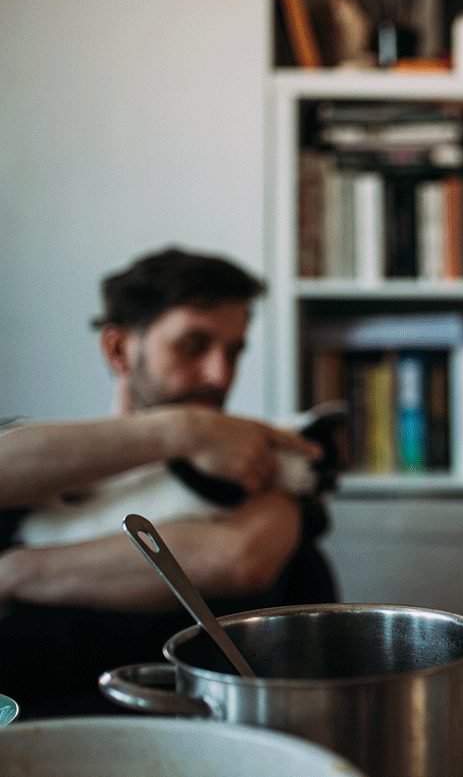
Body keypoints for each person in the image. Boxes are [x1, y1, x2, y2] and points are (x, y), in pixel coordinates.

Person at [0, 247, 337, 718]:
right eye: (193, 347)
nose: (220, 376)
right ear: (119, 350)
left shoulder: (262, 471)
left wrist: (15, 574)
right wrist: (185, 430)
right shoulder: (38, 461)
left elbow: (235, 559)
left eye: (234, 352)